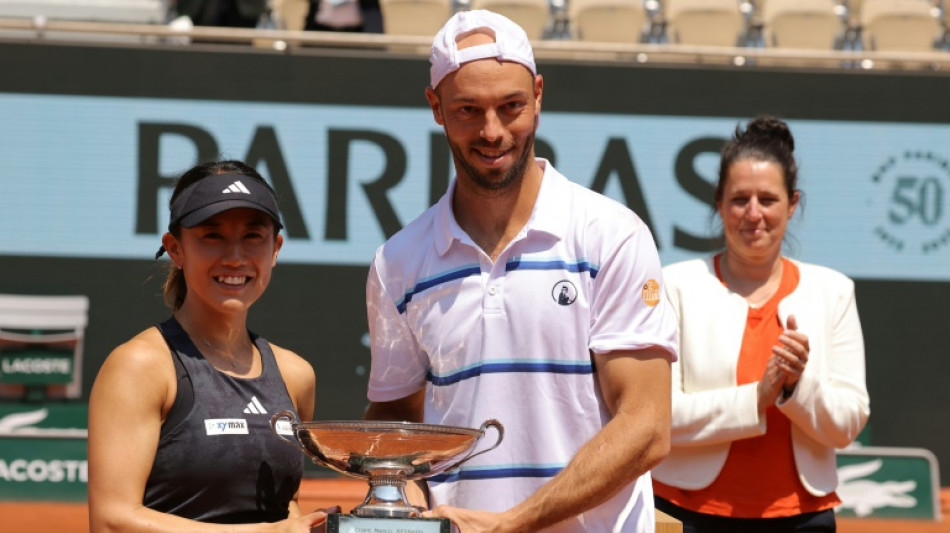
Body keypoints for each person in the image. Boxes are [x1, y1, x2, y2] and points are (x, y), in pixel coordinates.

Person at [363, 10, 679, 533]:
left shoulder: (611, 235)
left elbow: (646, 426)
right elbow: (397, 417)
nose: (492, 132)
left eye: (510, 106)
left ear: (538, 95)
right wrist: (411, 511)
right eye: (468, 110)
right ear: (435, 107)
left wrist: (513, 523)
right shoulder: (396, 262)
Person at [652, 116, 870, 532]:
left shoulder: (834, 291)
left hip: (803, 515)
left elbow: (847, 424)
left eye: (768, 199)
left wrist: (794, 387)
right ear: (719, 204)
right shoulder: (675, 286)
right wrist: (758, 397)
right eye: (739, 199)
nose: (754, 214)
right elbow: (658, 415)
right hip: (684, 512)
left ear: (793, 203)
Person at [88, 160, 332, 532]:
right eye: (212, 236)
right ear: (175, 248)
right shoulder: (140, 366)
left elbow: (286, 506)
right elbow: (112, 520)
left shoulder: (295, 374)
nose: (235, 256)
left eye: (253, 236)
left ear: (276, 248)